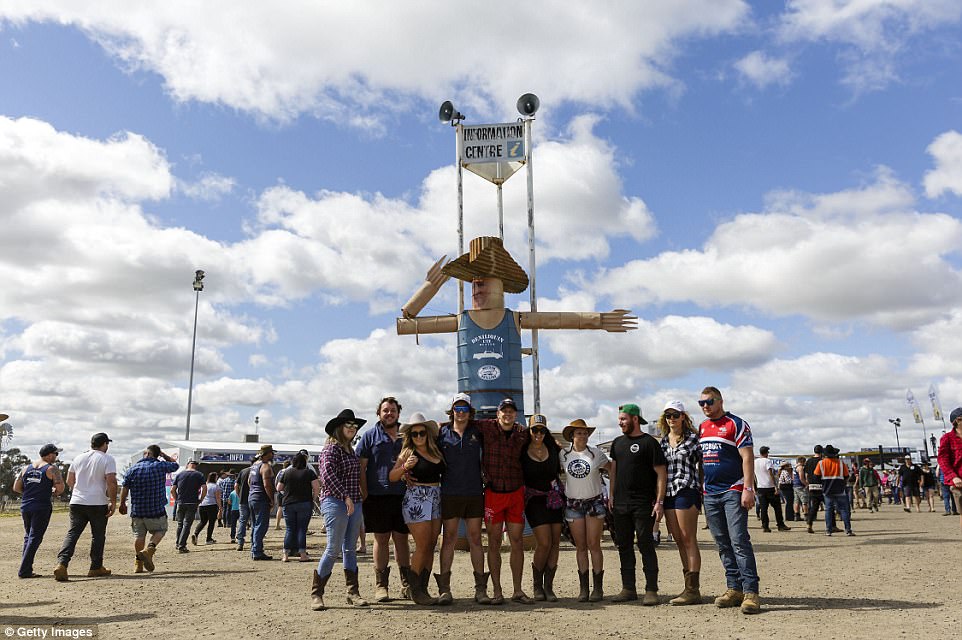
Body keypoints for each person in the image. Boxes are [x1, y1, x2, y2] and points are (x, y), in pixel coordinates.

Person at [397, 236, 636, 418]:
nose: (477, 290)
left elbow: (563, 318)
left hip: (512, 408)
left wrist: (601, 320)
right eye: (474, 285)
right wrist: (428, 288)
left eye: (483, 284)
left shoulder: (514, 318)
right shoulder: (463, 320)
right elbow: (405, 325)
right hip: (470, 411)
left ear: (500, 286)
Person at [697, 387, 761, 615]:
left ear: (720, 401)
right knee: (722, 542)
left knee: (739, 540)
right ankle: (734, 588)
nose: (705, 406)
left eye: (709, 401)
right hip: (710, 493)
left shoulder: (736, 424)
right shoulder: (702, 428)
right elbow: (701, 461)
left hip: (733, 489)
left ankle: (751, 591)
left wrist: (748, 488)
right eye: (701, 403)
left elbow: (747, 457)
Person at [476, 397, 534, 604]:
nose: (507, 414)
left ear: (515, 414)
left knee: (517, 542)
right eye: (504, 411)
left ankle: (517, 590)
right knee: (494, 542)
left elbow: (539, 441)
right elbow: (461, 423)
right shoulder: (486, 427)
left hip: (515, 492)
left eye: (511, 411)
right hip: (493, 493)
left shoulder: (522, 433)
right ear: (497, 413)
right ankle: (497, 591)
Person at [609, 402, 667, 606]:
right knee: (623, 546)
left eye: (623, 419)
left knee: (645, 545)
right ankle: (628, 588)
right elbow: (613, 471)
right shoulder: (617, 443)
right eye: (619, 420)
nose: (620, 423)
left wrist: (659, 502)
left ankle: (651, 590)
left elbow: (661, 474)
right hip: (620, 505)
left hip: (643, 504)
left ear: (635, 419)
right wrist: (611, 495)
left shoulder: (650, 443)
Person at [356, 396, 412, 602]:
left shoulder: (407, 435)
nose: (389, 413)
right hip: (377, 495)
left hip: (403, 495)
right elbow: (361, 466)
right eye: (385, 410)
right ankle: (381, 586)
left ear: (398, 413)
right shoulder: (369, 436)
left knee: (402, 540)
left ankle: (407, 585)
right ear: (378, 413)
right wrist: (364, 492)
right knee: (381, 540)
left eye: (393, 410)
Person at [437, 393, 491, 605]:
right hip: (449, 492)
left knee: (476, 539)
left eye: (464, 410)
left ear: (470, 412)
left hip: (474, 492)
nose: (460, 413)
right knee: (449, 538)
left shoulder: (478, 432)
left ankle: (480, 589)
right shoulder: (441, 433)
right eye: (457, 410)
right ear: (452, 412)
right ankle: (444, 589)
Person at [313, 409, 368, 611]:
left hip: (353, 502)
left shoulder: (350, 450)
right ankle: (317, 594)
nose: (353, 429)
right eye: (349, 425)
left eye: (355, 427)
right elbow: (327, 475)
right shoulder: (331, 450)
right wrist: (345, 496)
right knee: (333, 548)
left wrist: (358, 496)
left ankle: (353, 592)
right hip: (335, 502)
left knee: (350, 549)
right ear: (339, 428)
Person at [389, 412, 446, 606]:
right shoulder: (407, 453)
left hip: (436, 498)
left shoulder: (437, 451)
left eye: (422, 433)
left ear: (428, 434)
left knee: (431, 545)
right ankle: (415, 589)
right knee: (422, 545)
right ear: (410, 436)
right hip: (416, 499)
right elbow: (392, 477)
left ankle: (423, 589)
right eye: (415, 434)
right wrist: (405, 468)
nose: (419, 437)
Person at [657, 401, 704, 606]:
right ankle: (688, 585)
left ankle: (694, 588)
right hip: (668, 492)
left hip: (687, 488)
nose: (672, 419)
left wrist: (702, 487)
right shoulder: (663, 442)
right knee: (677, 538)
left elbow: (704, 464)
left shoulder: (694, 439)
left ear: (683, 416)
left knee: (688, 538)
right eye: (668, 415)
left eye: (675, 415)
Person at [54, 432, 118, 582]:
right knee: (98, 536)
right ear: (104, 444)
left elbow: (70, 481)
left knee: (73, 533)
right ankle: (95, 567)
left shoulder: (78, 458)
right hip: (97, 502)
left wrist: (80, 489)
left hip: (77, 502)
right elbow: (111, 482)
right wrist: (113, 502)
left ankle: (62, 563)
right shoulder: (107, 459)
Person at [560, 418, 611, 603]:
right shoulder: (563, 454)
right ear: (572, 435)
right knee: (580, 546)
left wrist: (611, 494)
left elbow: (612, 469)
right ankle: (583, 589)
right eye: (578, 432)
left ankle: (598, 588)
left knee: (594, 544)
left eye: (584, 432)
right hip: (574, 504)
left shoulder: (596, 454)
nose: (582, 435)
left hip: (594, 502)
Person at [521, 414, 563, 602]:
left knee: (555, 543)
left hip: (554, 499)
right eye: (535, 430)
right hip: (534, 500)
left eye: (542, 430)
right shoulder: (522, 450)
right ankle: (537, 585)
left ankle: (549, 587)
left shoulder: (554, 447)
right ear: (529, 431)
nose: (538, 433)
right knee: (544, 542)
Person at [118, 445, 179, 573]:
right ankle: (149, 549)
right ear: (156, 455)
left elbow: (125, 487)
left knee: (139, 536)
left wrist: (122, 503)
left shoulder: (133, 469)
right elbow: (175, 466)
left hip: (138, 510)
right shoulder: (160, 466)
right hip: (156, 509)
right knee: (161, 530)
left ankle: (138, 564)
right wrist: (164, 455)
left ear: (146, 454)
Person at [13, 443, 65, 578]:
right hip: (41, 506)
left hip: (26, 506)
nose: (56, 456)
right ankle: (24, 570)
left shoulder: (26, 468)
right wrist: (51, 492)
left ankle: (27, 568)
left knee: (28, 536)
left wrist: (31, 491)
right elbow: (60, 489)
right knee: (35, 537)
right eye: (56, 454)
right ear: (49, 455)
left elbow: (16, 487)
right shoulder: (52, 469)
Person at [278, 452, 319, 562]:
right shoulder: (309, 472)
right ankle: (302, 554)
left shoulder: (287, 472)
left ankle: (285, 555)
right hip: (305, 503)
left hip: (288, 503)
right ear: (305, 462)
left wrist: (287, 492)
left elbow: (279, 487)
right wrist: (313, 499)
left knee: (290, 529)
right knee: (302, 529)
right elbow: (316, 488)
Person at [814, 445, 854, 536]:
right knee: (844, 510)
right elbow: (847, 476)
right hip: (840, 489)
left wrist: (822, 484)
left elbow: (816, 476)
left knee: (828, 510)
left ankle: (828, 530)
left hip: (827, 490)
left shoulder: (821, 463)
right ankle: (848, 530)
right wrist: (842, 483)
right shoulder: (840, 463)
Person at [248, 444, 276, 560]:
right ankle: (257, 551)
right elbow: (267, 484)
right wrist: (271, 499)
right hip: (261, 499)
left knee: (255, 525)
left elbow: (249, 481)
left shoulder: (254, 466)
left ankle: (254, 548)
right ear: (267, 454)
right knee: (262, 526)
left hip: (252, 497)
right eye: (272, 453)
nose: (273, 455)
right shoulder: (265, 466)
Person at [171, 460, 206, 553]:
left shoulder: (180, 474)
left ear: (188, 465)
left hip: (181, 502)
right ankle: (182, 546)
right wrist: (201, 499)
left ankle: (178, 543)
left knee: (180, 524)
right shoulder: (199, 475)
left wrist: (177, 499)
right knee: (187, 525)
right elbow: (204, 488)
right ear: (195, 466)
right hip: (192, 502)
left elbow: (172, 490)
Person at [754, 446, 789, 533]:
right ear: (766, 453)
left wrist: (754, 487)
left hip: (760, 487)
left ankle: (765, 526)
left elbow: (753, 475)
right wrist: (775, 486)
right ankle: (780, 525)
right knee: (777, 507)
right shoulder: (768, 461)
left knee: (763, 508)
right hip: (769, 486)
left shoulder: (755, 462)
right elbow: (771, 474)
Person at [938, 407, 962, 533]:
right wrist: (953, 476)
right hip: (959, 481)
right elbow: (943, 460)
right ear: (957, 421)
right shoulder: (947, 438)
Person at [192, 472, 222, 545]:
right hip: (212, 505)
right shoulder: (216, 486)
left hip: (202, 504)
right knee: (211, 522)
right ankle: (208, 539)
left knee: (203, 521)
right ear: (214, 478)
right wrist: (220, 507)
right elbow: (217, 498)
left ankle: (196, 533)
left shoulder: (204, 485)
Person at [803, 446, 825, 534]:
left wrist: (808, 483)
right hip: (822, 485)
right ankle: (832, 525)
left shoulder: (809, 461)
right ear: (821, 452)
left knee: (814, 507)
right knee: (829, 506)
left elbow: (806, 474)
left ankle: (809, 523)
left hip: (812, 486)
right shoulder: (822, 461)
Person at [234, 463, 252, 551]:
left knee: (242, 521)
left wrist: (239, 495)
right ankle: (254, 542)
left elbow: (236, 485)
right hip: (254, 499)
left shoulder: (243, 471)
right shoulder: (259, 470)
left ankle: (240, 542)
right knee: (255, 522)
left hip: (243, 499)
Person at [274, 460, 292, 531]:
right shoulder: (289, 471)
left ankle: (277, 525)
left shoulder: (280, 472)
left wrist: (277, 489)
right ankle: (289, 525)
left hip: (280, 491)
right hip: (287, 492)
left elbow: (276, 481)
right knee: (289, 509)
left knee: (280, 508)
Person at [793, 456, 808, 522]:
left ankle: (797, 515)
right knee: (804, 501)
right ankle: (806, 515)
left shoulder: (795, 467)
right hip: (801, 486)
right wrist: (806, 484)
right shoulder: (800, 468)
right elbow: (801, 478)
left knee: (796, 501)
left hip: (795, 486)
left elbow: (793, 477)